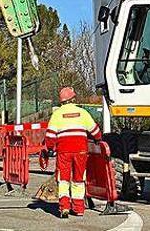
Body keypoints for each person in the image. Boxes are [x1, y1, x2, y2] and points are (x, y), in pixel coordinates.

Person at [45, 87, 102, 218]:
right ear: (73, 99)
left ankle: (64, 207)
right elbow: (94, 130)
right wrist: (98, 139)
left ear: (62, 101)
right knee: (79, 178)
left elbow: (50, 135)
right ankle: (78, 209)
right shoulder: (82, 112)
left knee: (63, 179)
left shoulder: (57, 114)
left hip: (64, 150)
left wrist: (49, 148)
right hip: (80, 150)